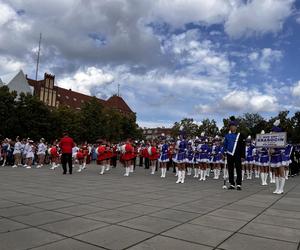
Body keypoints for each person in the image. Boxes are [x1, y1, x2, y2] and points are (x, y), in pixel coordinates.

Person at [223, 116, 245, 190]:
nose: (232, 127)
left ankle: (239, 184)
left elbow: (243, 146)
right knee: (230, 169)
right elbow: (225, 145)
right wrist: (224, 153)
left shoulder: (240, 135)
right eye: (231, 126)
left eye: (233, 126)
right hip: (229, 154)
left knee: (238, 169)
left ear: (236, 127)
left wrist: (243, 156)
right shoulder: (227, 136)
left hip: (238, 154)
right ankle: (232, 183)